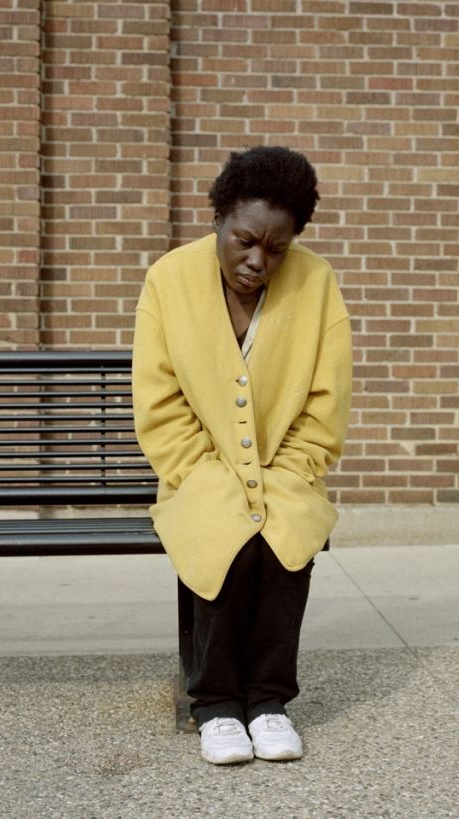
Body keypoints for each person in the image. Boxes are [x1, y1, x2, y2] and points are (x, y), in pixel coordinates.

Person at [132, 146, 352, 765]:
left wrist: (293, 470)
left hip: (287, 467)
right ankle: (217, 705)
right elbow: (159, 398)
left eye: (277, 248)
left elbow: (325, 400)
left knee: (284, 534)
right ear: (219, 218)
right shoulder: (169, 280)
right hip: (196, 468)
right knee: (225, 530)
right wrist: (204, 473)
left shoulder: (317, 284)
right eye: (245, 240)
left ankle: (269, 701)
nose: (259, 260)